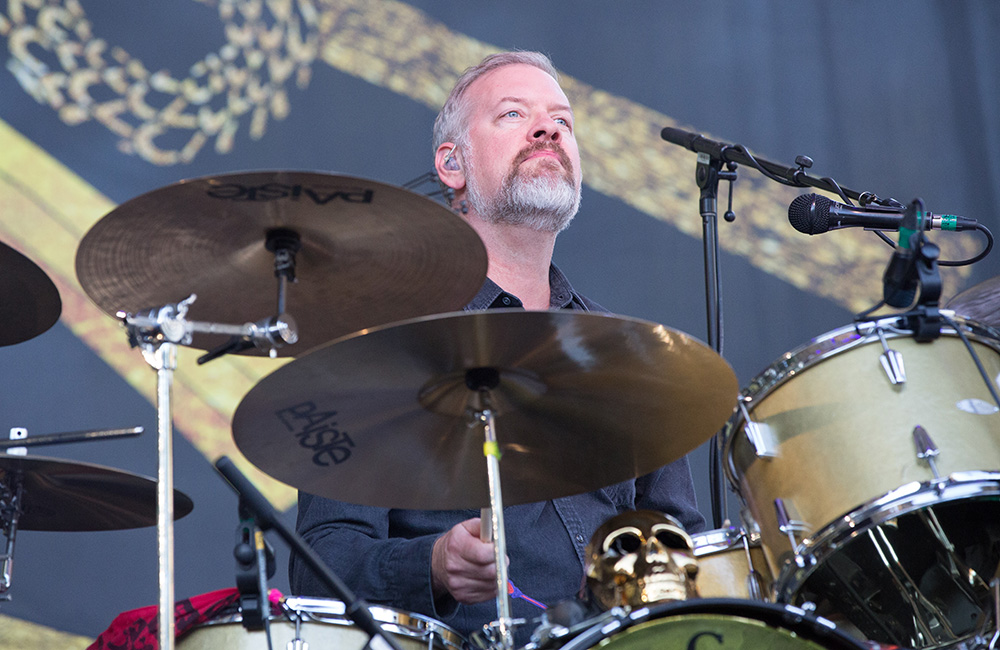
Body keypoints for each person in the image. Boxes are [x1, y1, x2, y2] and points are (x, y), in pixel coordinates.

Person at [290, 51, 706, 644]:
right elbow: (315, 567)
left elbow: (682, 541)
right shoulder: (381, 347)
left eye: (562, 121)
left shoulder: (627, 353)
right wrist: (431, 565)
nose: (548, 130)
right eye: (514, 114)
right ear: (451, 165)